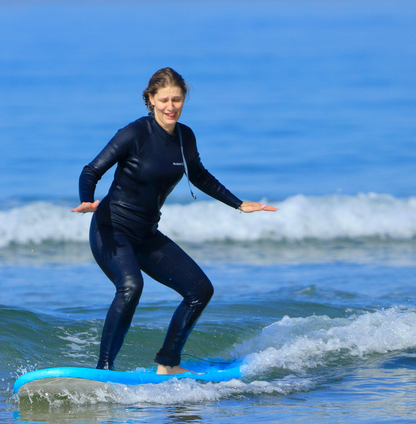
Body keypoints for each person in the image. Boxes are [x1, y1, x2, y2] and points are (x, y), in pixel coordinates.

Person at [72, 67, 277, 375]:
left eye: (177, 99)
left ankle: (168, 362)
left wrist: (238, 204)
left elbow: (200, 176)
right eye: (164, 99)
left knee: (200, 290)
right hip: (111, 228)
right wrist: (87, 198)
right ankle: (104, 370)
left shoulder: (185, 137)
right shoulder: (134, 133)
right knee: (130, 287)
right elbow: (91, 170)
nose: (171, 107)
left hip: (146, 233)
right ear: (151, 99)